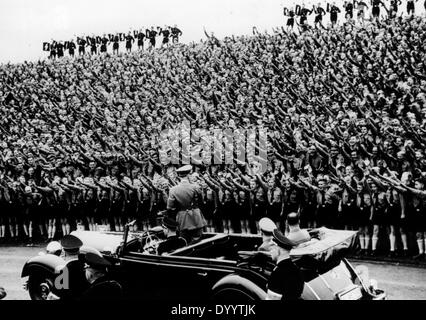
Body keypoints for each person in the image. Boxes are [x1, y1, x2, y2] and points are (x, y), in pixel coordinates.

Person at [167, 165, 206, 244]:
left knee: (184, 242)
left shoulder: (173, 190)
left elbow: (170, 207)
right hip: (196, 217)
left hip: (182, 218)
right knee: (199, 242)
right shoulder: (196, 187)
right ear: (188, 175)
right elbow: (202, 202)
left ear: (179, 176)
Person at [266, 229, 304, 300]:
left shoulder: (277, 273)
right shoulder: (297, 270)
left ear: (278, 249)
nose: (270, 252)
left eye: (271, 248)